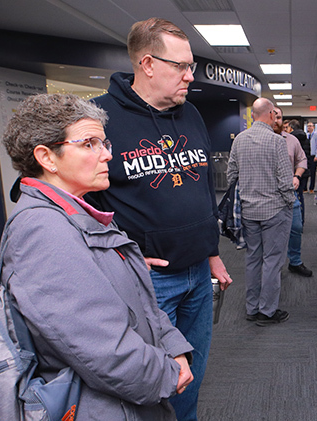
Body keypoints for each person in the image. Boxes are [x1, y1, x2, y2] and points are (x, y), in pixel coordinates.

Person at [0, 93, 194, 420]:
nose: (106, 156)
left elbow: (139, 301)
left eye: (104, 144)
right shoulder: (43, 231)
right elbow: (100, 350)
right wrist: (166, 373)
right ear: (47, 157)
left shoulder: (81, 213)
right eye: (90, 144)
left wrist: (173, 348)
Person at [87, 18, 232, 421]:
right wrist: (118, 257)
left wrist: (212, 252)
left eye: (192, 67)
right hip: (148, 281)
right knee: (151, 382)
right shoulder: (100, 117)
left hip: (198, 275)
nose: (190, 76)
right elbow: (78, 203)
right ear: (147, 63)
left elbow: (203, 190)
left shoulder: (191, 114)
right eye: (181, 67)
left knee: (192, 375)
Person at [227, 98, 296, 326]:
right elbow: (285, 181)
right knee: (272, 261)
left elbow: (231, 176)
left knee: (253, 259)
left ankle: (251, 307)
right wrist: (289, 203)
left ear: (253, 116)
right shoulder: (276, 142)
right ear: (269, 115)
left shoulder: (239, 141)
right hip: (274, 211)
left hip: (248, 211)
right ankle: (267, 311)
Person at [273, 107, 313, 277]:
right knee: (272, 232)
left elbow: (302, 159)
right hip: (269, 196)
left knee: (296, 227)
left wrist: (297, 175)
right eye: (274, 116)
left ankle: (295, 261)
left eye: (280, 117)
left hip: (290, 193)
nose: (277, 120)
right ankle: (273, 266)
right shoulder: (258, 140)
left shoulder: (291, 140)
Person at [288, 119, 311, 223]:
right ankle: (301, 219)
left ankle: (295, 220)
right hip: (304, 170)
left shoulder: (290, 139)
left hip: (294, 172)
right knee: (300, 194)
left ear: (291, 128)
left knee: (293, 195)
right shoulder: (306, 137)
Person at [306, 121, 317, 193]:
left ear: (313, 127)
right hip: (307, 156)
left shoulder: (316, 135)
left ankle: (311, 188)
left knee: (313, 173)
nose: (309, 127)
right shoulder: (306, 135)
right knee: (306, 172)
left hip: (313, 156)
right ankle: (305, 188)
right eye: (308, 126)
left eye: (310, 126)